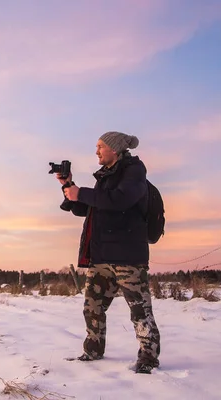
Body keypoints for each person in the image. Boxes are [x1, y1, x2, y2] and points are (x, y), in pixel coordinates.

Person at [56, 131, 161, 374]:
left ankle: (148, 357)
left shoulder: (134, 171)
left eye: (100, 146)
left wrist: (81, 193)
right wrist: (69, 187)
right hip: (101, 255)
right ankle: (93, 350)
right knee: (92, 306)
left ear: (114, 149)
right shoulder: (105, 177)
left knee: (139, 309)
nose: (96, 151)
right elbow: (93, 208)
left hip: (128, 256)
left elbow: (120, 200)